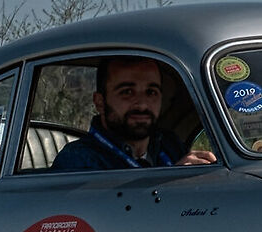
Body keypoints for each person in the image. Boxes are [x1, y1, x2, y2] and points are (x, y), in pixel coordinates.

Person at [51, 56, 217, 171]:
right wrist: (172, 184)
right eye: (127, 92)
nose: (142, 104)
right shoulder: (78, 160)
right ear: (100, 102)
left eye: (151, 92)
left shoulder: (169, 145)